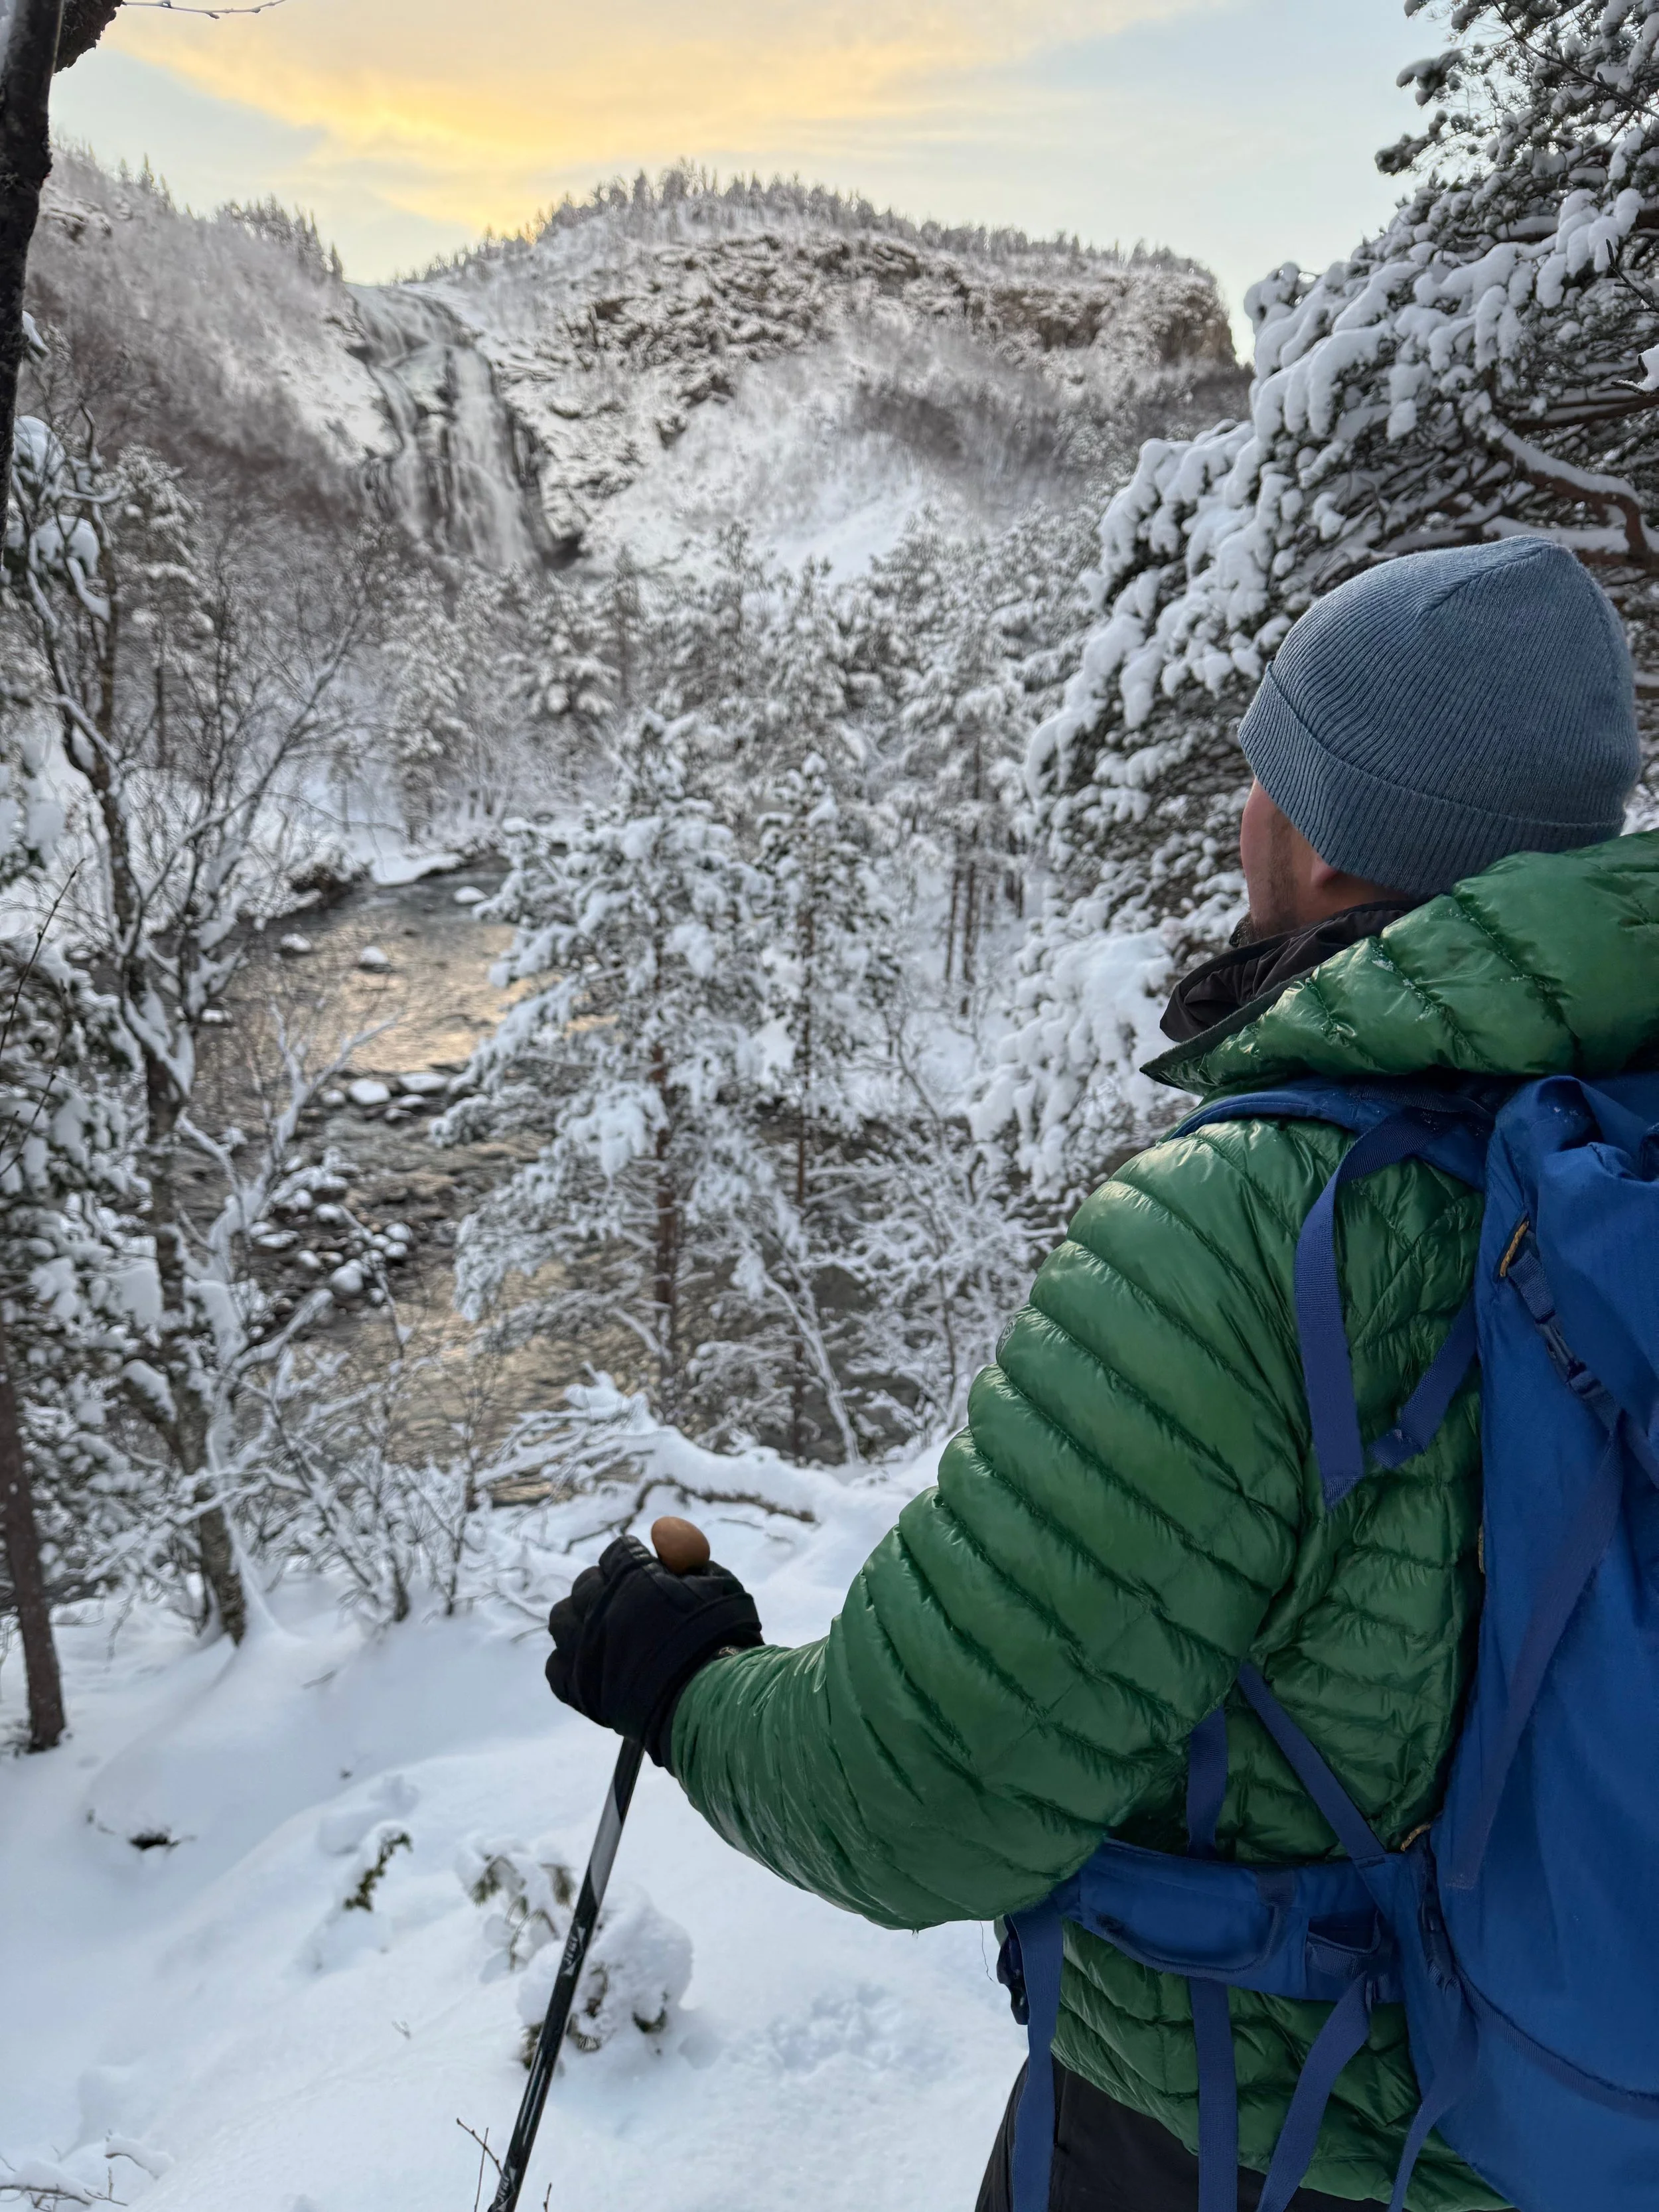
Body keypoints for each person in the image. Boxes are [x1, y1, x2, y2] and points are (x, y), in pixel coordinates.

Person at [545, 538, 1651, 2211]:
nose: (1239, 818)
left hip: (1263, 2134)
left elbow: (914, 1791)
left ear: (1330, 837)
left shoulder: (1247, 1238)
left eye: (1270, 775)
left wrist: (683, 1684)